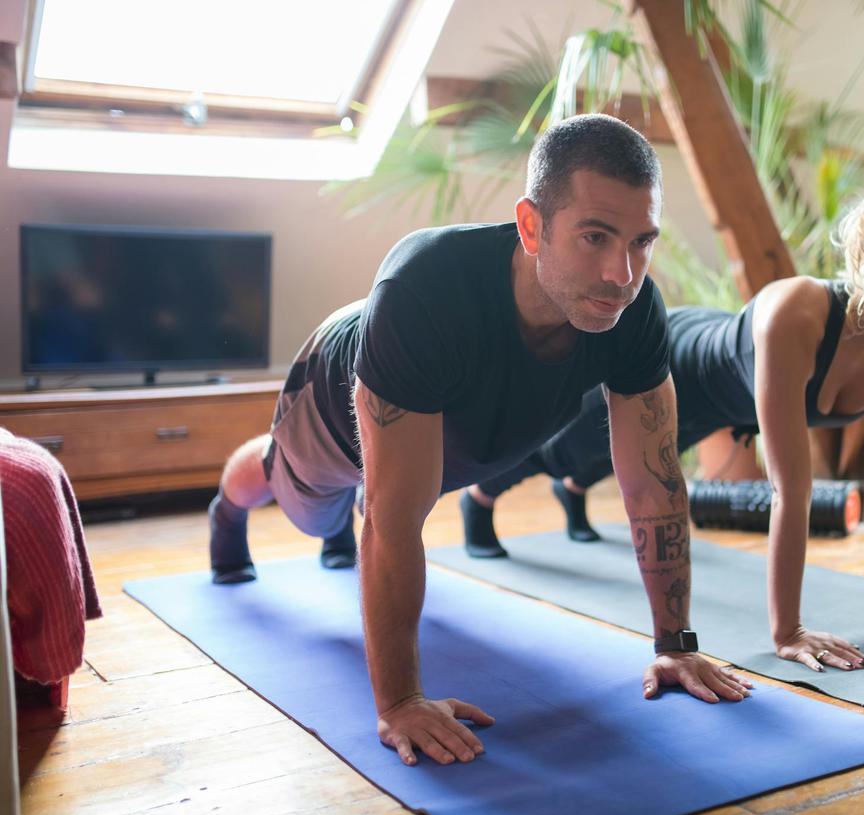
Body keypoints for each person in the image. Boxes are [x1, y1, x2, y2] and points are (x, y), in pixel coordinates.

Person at [206, 114, 752, 768]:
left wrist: (678, 641)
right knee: (301, 499)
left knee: (388, 492)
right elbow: (393, 514)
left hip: (448, 427)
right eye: (595, 237)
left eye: (641, 242)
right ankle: (227, 509)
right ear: (531, 226)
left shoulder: (632, 312)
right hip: (333, 393)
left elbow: (654, 486)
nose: (621, 272)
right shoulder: (428, 287)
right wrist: (401, 698)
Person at [463, 155, 864, 674]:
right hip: (680, 359)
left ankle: (574, 490)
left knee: (600, 461)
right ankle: (479, 498)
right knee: (565, 445)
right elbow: (789, 489)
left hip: (724, 405)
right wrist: (789, 631)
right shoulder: (796, 314)